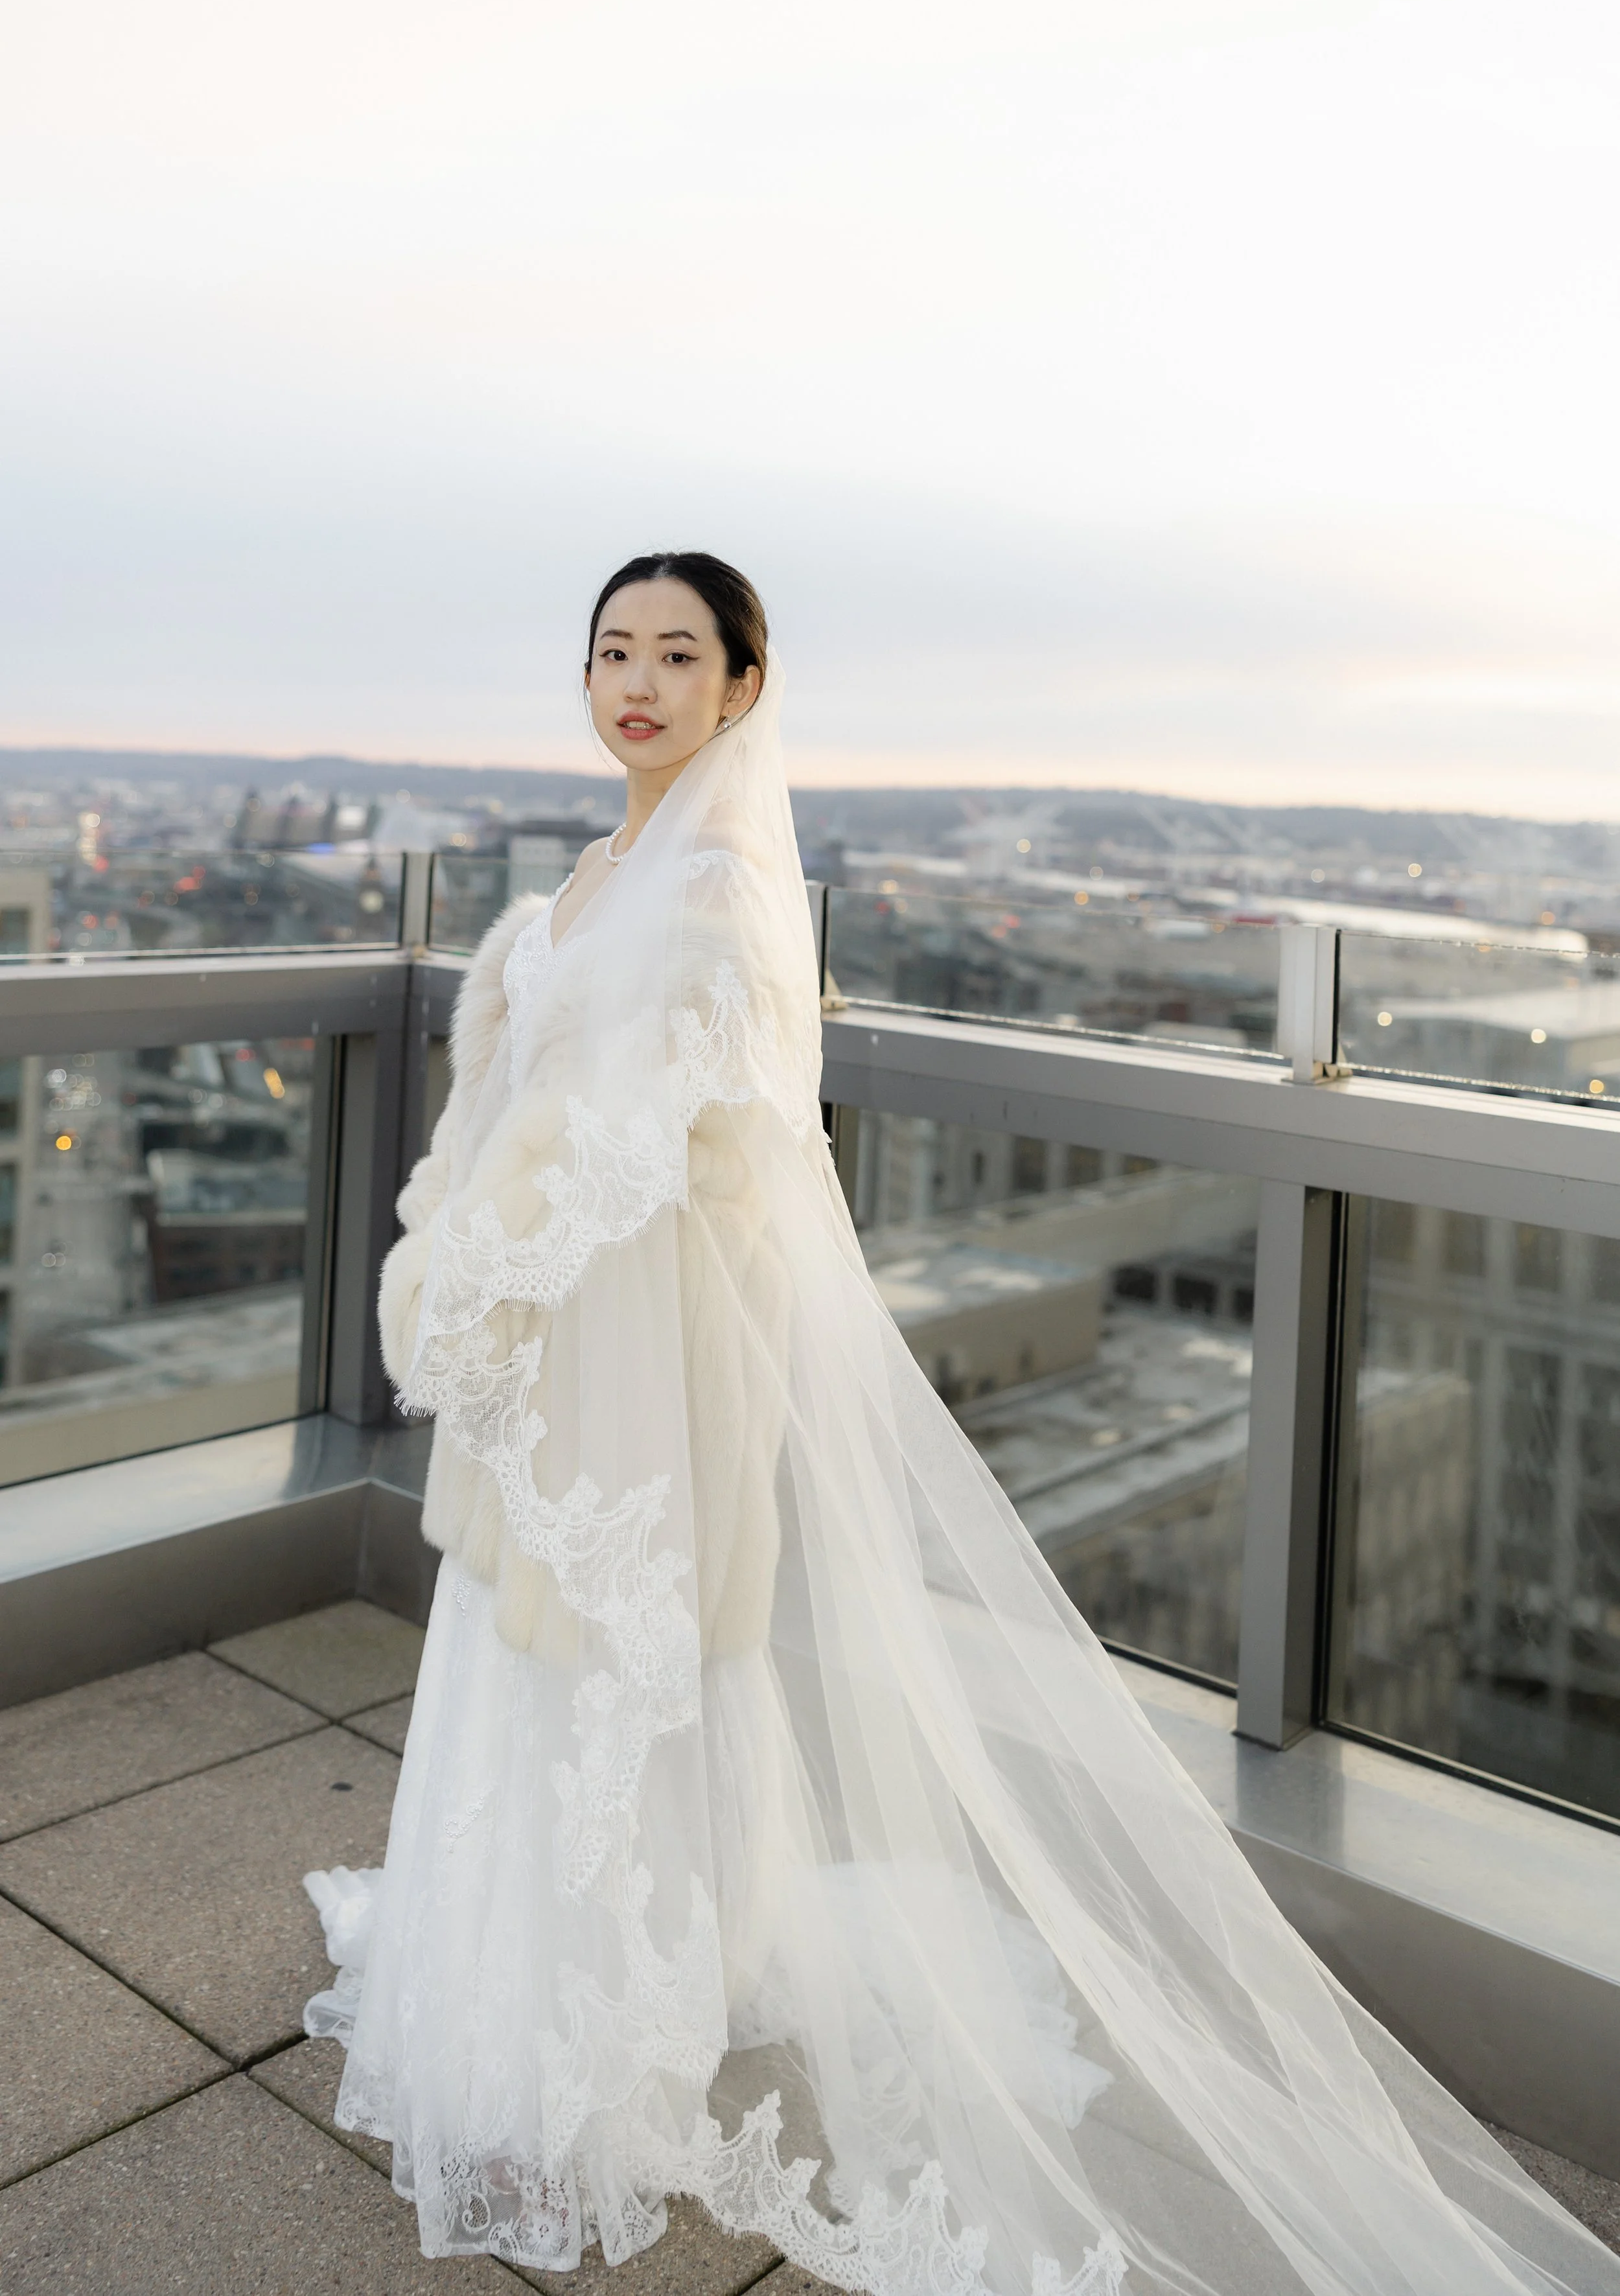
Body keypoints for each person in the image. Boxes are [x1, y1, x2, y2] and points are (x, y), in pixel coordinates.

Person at [305, 553, 1618, 2296]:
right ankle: (520, 1970)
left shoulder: (720, 893)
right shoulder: (599, 871)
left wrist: (467, 1268)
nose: (634, 681)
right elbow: (524, 1095)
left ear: (742, 687)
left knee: (611, 1667)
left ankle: (586, 2030)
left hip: (635, 1347)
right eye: (610, 650)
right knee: (523, 1647)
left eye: (675, 654)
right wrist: (468, 1255)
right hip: (554, 1348)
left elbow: (653, 1143)